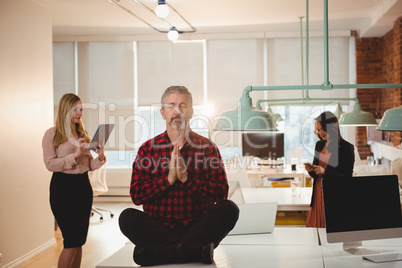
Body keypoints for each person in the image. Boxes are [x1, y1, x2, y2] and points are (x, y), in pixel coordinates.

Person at [119, 86, 239, 266]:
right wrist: (168, 181)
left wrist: (187, 179)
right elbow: (137, 195)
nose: (177, 111)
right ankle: (195, 250)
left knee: (230, 208)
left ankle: (161, 253)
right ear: (163, 113)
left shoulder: (208, 148)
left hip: (198, 227)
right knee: (127, 217)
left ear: (191, 112)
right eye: (171, 106)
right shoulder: (148, 149)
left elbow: (221, 194)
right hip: (159, 228)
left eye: (183, 105)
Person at [42, 93, 106, 268]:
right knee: (70, 242)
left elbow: (88, 165)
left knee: (79, 241)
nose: (80, 113)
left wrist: (99, 158)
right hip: (63, 188)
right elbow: (50, 164)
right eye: (76, 109)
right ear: (65, 110)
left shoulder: (81, 133)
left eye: (81, 109)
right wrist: (74, 155)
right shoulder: (52, 134)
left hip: (82, 187)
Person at [304, 111, 355, 228]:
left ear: (332, 127)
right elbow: (316, 174)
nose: (319, 132)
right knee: (314, 230)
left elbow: (347, 178)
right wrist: (311, 170)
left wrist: (325, 172)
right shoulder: (319, 145)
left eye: (322, 129)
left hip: (334, 195)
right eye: (317, 129)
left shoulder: (346, 148)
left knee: (330, 231)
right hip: (317, 192)